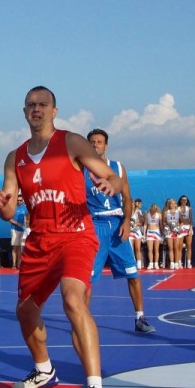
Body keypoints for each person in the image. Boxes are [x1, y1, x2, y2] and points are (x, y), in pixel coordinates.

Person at [0, 86, 123, 388]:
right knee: (25, 311)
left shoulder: (71, 142)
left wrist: (112, 184)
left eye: (42, 104)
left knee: (73, 300)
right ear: (24, 112)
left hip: (76, 235)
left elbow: (112, 177)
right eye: (30, 105)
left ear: (54, 110)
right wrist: (2, 207)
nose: (36, 109)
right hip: (39, 241)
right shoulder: (15, 157)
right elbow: (9, 210)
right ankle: (44, 370)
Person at [84, 129, 153, 334]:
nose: (96, 145)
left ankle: (140, 318)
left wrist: (127, 221)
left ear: (106, 145)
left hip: (116, 225)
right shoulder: (80, 170)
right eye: (92, 142)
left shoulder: (117, 168)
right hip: (95, 225)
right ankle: (82, 321)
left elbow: (128, 198)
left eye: (99, 142)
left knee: (133, 274)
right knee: (87, 279)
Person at [9, 201, 28, 269]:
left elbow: (25, 217)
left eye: (20, 201)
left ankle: (19, 264)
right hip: (14, 229)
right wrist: (17, 223)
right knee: (15, 247)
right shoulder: (12, 207)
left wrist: (25, 227)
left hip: (22, 230)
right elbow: (9, 219)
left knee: (20, 247)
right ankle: (14, 264)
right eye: (18, 200)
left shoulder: (25, 208)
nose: (19, 202)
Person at [144, 202, 163, 269]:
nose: (154, 208)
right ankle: (151, 263)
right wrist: (144, 234)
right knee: (150, 249)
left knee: (156, 249)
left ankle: (156, 263)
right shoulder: (147, 214)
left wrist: (162, 233)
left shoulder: (159, 214)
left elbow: (161, 224)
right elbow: (145, 224)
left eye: (155, 207)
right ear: (151, 208)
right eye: (153, 207)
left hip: (156, 232)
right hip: (149, 232)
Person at [177, 195, 194, 268]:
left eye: (185, 200)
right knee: (180, 246)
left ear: (187, 201)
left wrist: (191, 228)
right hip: (181, 228)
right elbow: (178, 220)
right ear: (180, 200)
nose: (184, 201)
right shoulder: (177, 209)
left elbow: (191, 219)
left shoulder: (189, 209)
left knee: (189, 245)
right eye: (183, 200)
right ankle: (179, 262)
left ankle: (189, 263)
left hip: (188, 227)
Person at [128, 197, 145, 269]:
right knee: (130, 249)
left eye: (133, 203)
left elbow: (141, 222)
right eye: (130, 203)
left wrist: (136, 224)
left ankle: (139, 263)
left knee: (138, 248)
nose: (132, 204)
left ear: (134, 204)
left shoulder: (138, 211)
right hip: (129, 232)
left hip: (137, 231)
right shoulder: (126, 211)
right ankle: (132, 263)